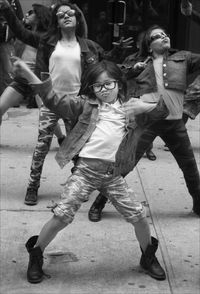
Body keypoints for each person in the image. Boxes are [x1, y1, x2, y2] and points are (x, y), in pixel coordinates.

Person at [13, 57, 166, 283]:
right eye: (98, 85)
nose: (103, 90)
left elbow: (167, 111)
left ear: (119, 84)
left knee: (138, 216)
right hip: (85, 171)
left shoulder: (131, 108)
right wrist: (28, 74)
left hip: (113, 175)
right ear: (92, 88)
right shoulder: (86, 105)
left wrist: (147, 106)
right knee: (62, 215)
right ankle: (36, 254)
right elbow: (54, 99)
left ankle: (148, 256)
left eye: (108, 84)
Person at [0, 0, 132, 205]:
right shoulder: (47, 42)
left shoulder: (89, 47)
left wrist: (119, 52)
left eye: (70, 13)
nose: (66, 16)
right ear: (57, 22)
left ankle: (80, 184)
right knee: (42, 146)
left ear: (78, 19)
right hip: (50, 101)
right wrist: (6, 8)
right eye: (61, 15)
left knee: (78, 146)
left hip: (76, 104)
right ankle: (33, 186)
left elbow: (104, 66)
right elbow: (20, 32)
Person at [88, 24, 200, 222]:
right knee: (124, 165)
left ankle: (198, 204)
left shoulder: (183, 57)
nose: (164, 37)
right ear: (149, 46)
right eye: (158, 36)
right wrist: (132, 69)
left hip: (174, 123)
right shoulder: (138, 61)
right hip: (147, 122)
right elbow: (113, 75)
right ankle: (99, 202)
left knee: (190, 167)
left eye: (165, 34)